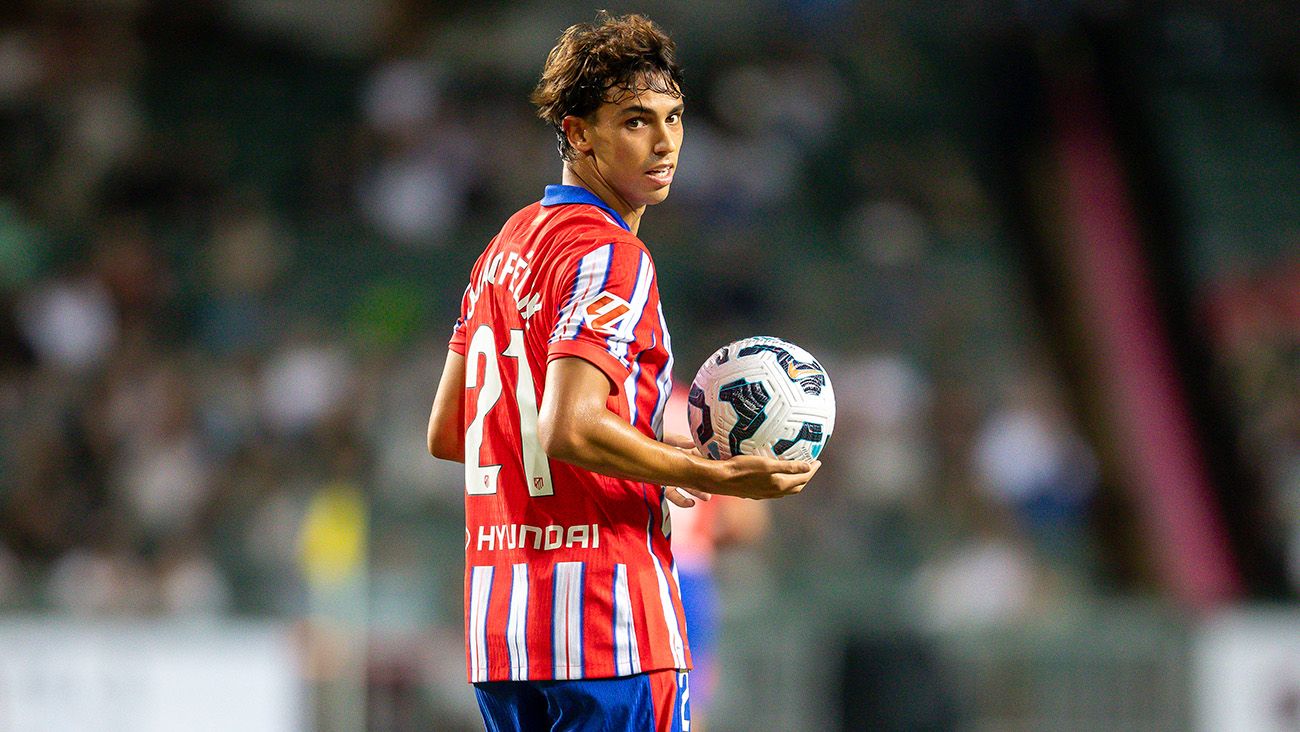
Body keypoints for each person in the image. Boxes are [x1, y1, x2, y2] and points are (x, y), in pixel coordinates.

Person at [426, 12, 821, 732]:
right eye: (635, 120)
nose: (665, 141)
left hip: (505, 634)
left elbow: (453, 432)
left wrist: (642, 459)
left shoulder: (502, 250)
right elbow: (570, 426)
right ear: (577, 133)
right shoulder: (612, 255)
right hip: (608, 626)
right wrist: (706, 473)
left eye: (674, 117)